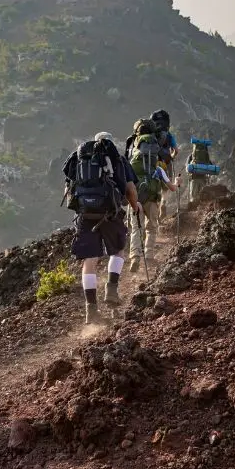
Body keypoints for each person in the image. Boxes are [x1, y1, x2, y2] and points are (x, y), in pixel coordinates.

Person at [63, 132, 139, 323]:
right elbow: (130, 189)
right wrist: (135, 206)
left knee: (89, 261)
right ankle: (111, 289)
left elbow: (68, 190)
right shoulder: (117, 159)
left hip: (85, 215)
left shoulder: (79, 160)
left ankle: (91, 310)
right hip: (110, 213)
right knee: (118, 251)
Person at [127, 121, 182, 272]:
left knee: (136, 229)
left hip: (135, 200)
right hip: (152, 199)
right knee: (151, 228)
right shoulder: (158, 168)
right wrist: (177, 182)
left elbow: (126, 183)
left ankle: (135, 256)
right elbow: (171, 188)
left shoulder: (131, 165)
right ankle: (149, 255)